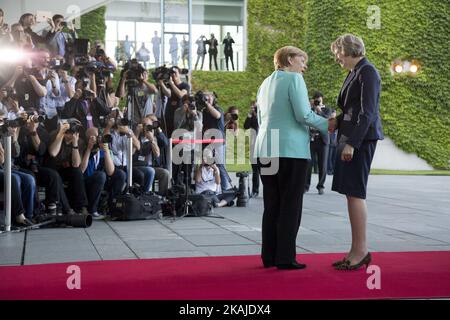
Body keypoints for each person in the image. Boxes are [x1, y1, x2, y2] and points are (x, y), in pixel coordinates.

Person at [254, 46, 331, 270]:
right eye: (302, 60)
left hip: (266, 148)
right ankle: (285, 257)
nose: (304, 65)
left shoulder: (265, 83)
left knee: (272, 204)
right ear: (289, 59)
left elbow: (261, 117)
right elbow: (303, 115)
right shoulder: (294, 79)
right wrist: (328, 125)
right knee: (290, 204)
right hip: (290, 150)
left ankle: (269, 256)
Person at [329, 34, 384, 270]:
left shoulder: (367, 71)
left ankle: (361, 251)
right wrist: (338, 120)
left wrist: (352, 142)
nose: (337, 57)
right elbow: (353, 109)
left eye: (338, 53)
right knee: (351, 193)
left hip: (359, 139)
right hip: (350, 136)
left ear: (350, 50)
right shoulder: (355, 72)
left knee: (355, 192)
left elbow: (367, 112)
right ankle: (356, 249)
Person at [304, 91, 332, 194]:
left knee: (322, 164)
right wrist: (309, 106)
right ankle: (306, 186)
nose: (317, 102)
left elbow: (327, 120)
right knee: (308, 164)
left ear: (322, 100)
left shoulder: (327, 109)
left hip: (323, 140)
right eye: (316, 100)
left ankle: (321, 186)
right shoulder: (309, 110)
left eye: (319, 100)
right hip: (311, 139)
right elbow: (305, 118)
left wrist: (319, 110)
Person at [244, 101, 260, 197]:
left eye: (254, 107)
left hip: (264, 144)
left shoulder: (264, 116)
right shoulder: (252, 117)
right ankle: (255, 190)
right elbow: (246, 126)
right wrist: (249, 115)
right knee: (255, 169)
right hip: (254, 144)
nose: (253, 108)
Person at [327, 109, 337, 175]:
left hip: (336, 142)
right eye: (333, 113)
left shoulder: (337, 121)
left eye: (334, 113)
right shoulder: (329, 121)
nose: (333, 114)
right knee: (329, 157)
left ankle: (333, 169)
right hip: (330, 142)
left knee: (334, 157)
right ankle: (329, 170)